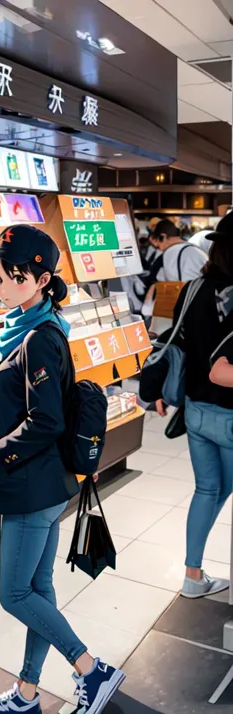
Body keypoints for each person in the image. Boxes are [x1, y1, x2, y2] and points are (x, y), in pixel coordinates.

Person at [0, 225, 125, 714]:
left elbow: (47, 420)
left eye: (12, 275)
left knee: (14, 595)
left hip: (30, 487)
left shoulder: (39, 337)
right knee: (39, 588)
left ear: (40, 279)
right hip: (46, 482)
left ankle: (90, 670)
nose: (1, 285)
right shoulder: (33, 326)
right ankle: (27, 693)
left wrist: (3, 456)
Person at [157, 212, 233, 598]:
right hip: (229, 413)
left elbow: (176, 343)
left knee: (208, 490)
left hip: (195, 410)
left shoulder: (193, 288)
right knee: (220, 490)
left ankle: (192, 576)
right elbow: (223, 370)